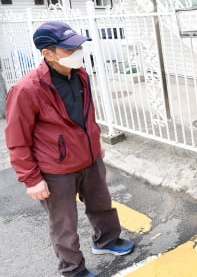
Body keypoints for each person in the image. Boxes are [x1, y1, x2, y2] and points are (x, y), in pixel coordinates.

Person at [4, 21, 135, 277]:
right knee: (64, 224)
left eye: (78, 46)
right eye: (68, 49)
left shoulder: (80, 75)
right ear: (48, 53)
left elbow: (86, 115)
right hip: (56, 170)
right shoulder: (26, 90)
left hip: (89, 158)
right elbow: (17, 139)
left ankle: (107, 241)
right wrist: (31, 179)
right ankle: (73, 269)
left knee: (102, 205)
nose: (77, 52)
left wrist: (95, 145)